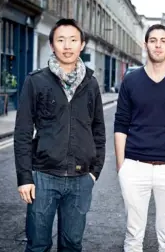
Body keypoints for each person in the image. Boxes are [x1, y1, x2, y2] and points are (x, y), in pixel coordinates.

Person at [14, 18, 106, 252]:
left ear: (82, 45)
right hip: (43, 177)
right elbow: (23, 132)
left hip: (80, 178)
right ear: (53, 45)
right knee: (38, 245)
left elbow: (98, 130)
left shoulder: (91, 84)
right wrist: (25, 177)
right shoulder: (36, 81)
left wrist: (94, 172)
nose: (67, 46)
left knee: (72, 244)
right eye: (61, 40)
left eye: (73, 40)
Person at [114, 24, 165, 252]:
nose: (158, 44)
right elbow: (120, 124)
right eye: (153, 40)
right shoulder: (131, 81)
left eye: (163, 40)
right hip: (134, 167)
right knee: (133, 235)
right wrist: (122, 166)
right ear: (146, 44)